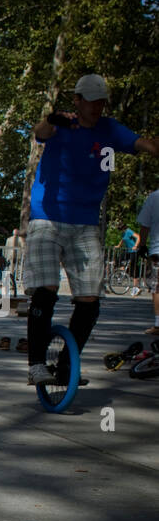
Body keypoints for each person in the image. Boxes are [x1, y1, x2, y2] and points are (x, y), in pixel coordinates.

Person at [25, 74, 159, 386]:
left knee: (90, 300)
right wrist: (52, 118)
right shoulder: (62, 123)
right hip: (47, 216)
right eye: (91, 101)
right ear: (77, 100)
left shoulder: (110, 129)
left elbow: (143, 144)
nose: (97, 107)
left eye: (102, 101)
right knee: (46, 290)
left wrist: (154, 148)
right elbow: (39, 132)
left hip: (85, 223)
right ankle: (36, 364)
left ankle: (66, 364)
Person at [137, 187, 159, 334]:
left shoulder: (153, 197)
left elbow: (145, 225)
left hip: (157, 250)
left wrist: (142, 245)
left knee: (157, 287)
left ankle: (158, 324)